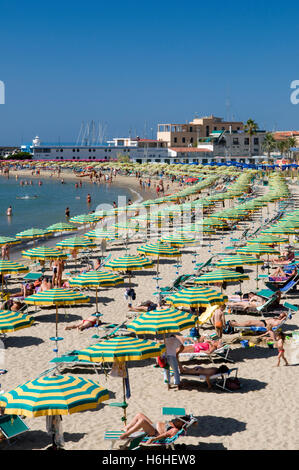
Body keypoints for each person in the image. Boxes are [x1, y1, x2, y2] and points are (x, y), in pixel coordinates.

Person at [119, 412, 192, 442]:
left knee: (142, 421)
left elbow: (165, 435)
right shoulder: (175, 424)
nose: (176, 420)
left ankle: (127, 434)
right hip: (153, 426)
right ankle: (127, 428)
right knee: (139, 414)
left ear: (181, 423)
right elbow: (194, 422)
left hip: (153, 432)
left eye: (178, 420)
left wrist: (154, 439)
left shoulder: (175, 429)